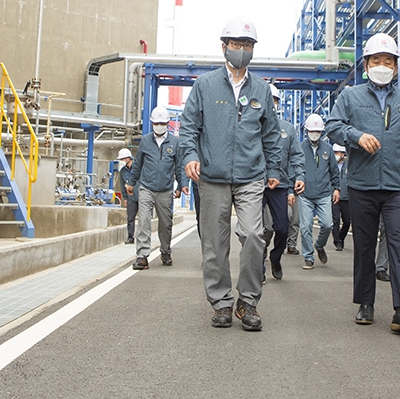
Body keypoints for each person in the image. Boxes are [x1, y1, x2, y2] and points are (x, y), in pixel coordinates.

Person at [179, 17, 282, 331]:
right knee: (214, 243)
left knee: (253, 234)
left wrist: (275, 168)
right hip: (211, 174)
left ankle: (248, 301)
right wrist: (191, 156)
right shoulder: (205, 85)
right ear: (224, 47)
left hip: (251, 175)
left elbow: (272, 134)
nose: (241, 50)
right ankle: (221, 302)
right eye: (236, 45)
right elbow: (188, 128)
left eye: (247, 46)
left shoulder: (262, 89)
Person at [326, 33, 400, 334]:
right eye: (376, 61)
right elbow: (333, 126)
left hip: (399, 186)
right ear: (366, 65)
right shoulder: (350, 96)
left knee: (399, 244)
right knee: (365, 246)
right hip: (362, 185)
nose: (382, 66)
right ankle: (366, 303)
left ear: (396, 67)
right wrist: (356, 137)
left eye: (388, 62)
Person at [126, 106, 187, 271]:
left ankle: (165, 251)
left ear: (167, 123)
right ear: (152, 123)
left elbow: (179, 166)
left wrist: (182, 186)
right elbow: (137, 164)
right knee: (144, 220)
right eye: (156, 123)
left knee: (165, 224)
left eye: (162, 123)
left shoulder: (174, 143)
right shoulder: (145, 141)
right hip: (146, 188)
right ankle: (142, 256)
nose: (159, 125)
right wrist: (131, 183)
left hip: (165, 190)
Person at [262, 85, 305, 281]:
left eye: (275, 100)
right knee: (257, 230)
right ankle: (258, 266)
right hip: (256, 185)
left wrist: (299, 177)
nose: (272, 104)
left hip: (279, 185)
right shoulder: (252, 126)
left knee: (281, 227)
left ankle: (275, 257)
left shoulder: (287, 129)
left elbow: (296, 155)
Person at [298, 113, 339, 269]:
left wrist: (336, 188)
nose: (314, 134)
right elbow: (294, 168)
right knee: (305, 226)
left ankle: (319, 245)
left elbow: (334, 171)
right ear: (306, 130)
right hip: (305, 194)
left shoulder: (328, 149)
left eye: (318, 131)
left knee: (328, 224)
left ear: (322, 132)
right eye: (311, 131)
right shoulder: (300, 148)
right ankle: (308, 257)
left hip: (324, 193)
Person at [115, 148, 137, 244]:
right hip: (130, 197)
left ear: (128, 158)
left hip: (141, 195)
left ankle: (143, 237)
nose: (121, 161)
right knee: (130, 218)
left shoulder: (138, 167)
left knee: (145, 217)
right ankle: (130, 237)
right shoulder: (123, 171)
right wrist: (125, 198)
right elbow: (122, 184)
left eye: (122, 159)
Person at [331, 143, 350, 251]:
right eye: (334, 152)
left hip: (346, 197)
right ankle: (337, 242)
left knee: (347, 221)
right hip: (333, 196)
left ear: (343, 154)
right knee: (335, 220)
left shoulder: (349, 165)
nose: (336, 155)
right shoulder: (331, 165)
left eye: (337, 152)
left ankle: (341, 237)